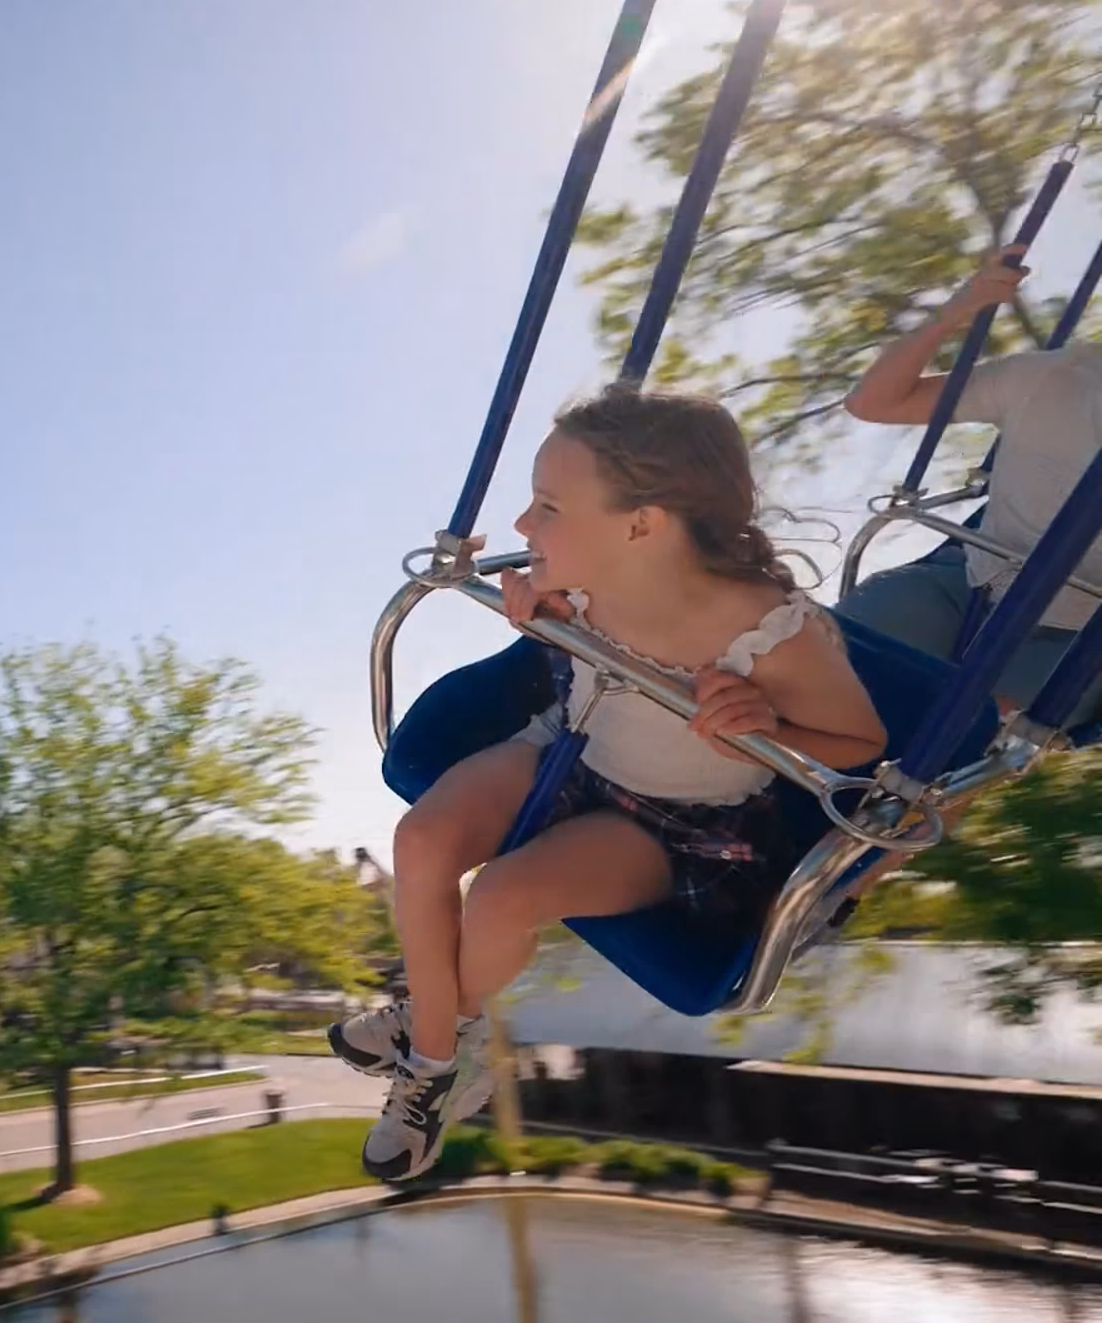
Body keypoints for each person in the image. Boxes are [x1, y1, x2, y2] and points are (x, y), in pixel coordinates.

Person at [331, 386, 888, 1182]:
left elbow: (862, 744)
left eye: (549, 506)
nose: (523, 524)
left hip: (673, 821)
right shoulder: (589, 576)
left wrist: (767, 723)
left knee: (501, 899)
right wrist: (547, 620)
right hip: (571, 749)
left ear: (641, 525)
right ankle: (441, 1032)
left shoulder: (771, 633)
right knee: (421, 840)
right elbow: (577, 648)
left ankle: (434, 1055)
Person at [841, 243, 1102, 724]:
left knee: (970, 733)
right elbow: (872, 402)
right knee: (834, 654)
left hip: (1077, 637)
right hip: (966, 584)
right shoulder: (1052, 376)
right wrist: (960, 308)